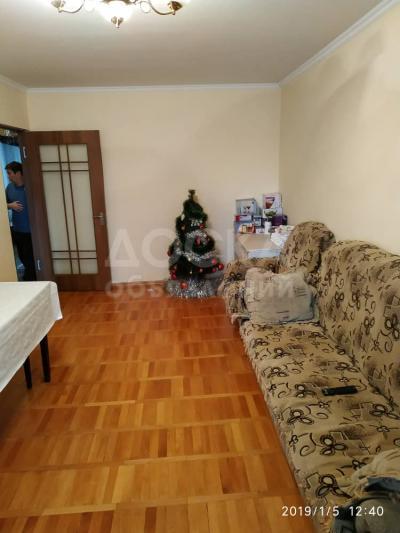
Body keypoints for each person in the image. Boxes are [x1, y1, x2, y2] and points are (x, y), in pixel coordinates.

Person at [5, 161, 36, 281]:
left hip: (31, 231)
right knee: (22, 257)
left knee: (30, 259)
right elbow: (3, 204)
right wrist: (10, 205)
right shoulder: (9, 188)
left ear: (18, 173)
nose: (8, 176)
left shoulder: (31, 186)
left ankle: (30, 280)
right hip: (17, 230)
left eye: (9, 173)